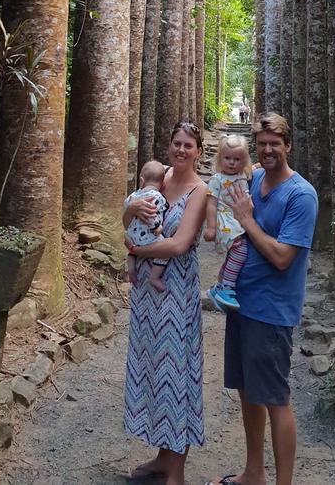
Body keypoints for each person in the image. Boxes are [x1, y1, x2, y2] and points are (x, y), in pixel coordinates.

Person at [205, 112, 318, 485]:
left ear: (288, 145)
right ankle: (254, 473)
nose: (268, 150)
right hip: (242, 304)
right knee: (247, 391)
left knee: (275, 398)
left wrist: (247, 220)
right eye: (263, 143)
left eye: (275, 143)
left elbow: (283, 257)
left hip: (271, 311)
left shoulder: (300, 195)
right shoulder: (253, 182)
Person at [123, 121, 208, 485]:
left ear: (199, 151)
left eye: (189, 145)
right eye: (177, 143)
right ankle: (161, 458)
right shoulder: (155, 177)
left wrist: (136, 249)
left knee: (177, 374)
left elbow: (179, 244)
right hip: (147, 293)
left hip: (176, 292)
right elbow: (125, 218)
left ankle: (177, 471)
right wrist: (131, 216)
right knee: (153, 371)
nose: (181, 150)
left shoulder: (200, 191)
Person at [204, 133, 252, 311]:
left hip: (239, 218)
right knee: (240, 251)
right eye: (227, 158)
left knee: (234, 253)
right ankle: (227, 288)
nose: (232, 162)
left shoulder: (242, 175)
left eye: (237, 159)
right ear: (220, 159)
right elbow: (211, 204)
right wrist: (210, 227)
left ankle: (218, 286)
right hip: (226, 221)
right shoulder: (217, 180)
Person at [124, 160, 168, 290]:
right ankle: (154, 276)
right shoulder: (157, 196)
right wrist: (156, 228)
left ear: (141, 181)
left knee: (132, 250)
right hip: (148, 237)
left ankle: (131, 268)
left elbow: (126, 205)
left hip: (132, 236)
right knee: (165, 252)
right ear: (163, 184)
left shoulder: (134, 195)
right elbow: (150, 215)